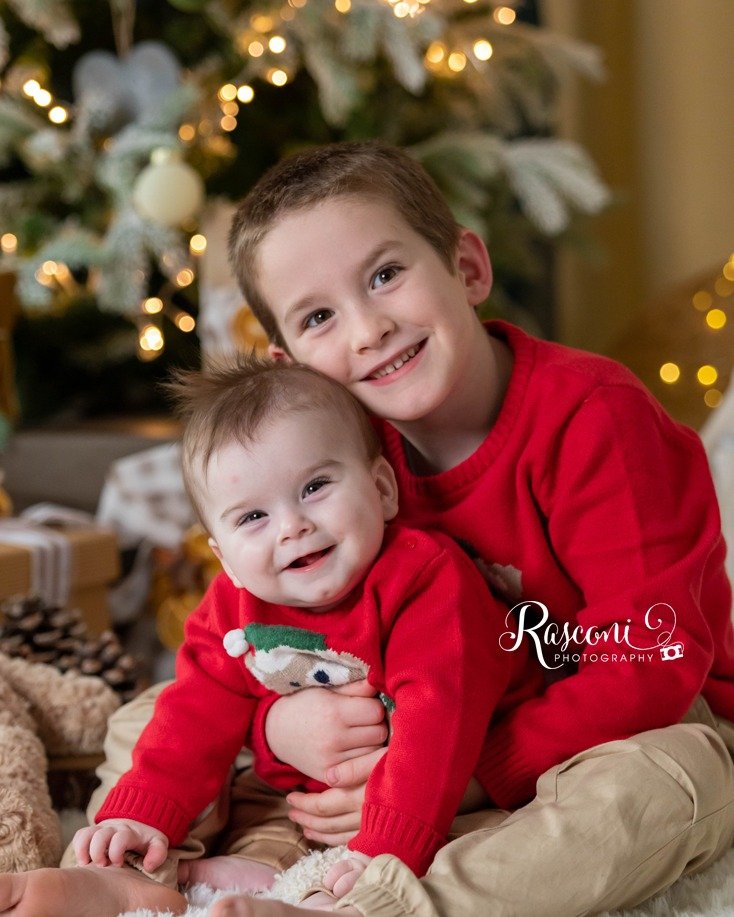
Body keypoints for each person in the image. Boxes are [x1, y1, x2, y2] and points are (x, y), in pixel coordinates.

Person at [2, 139, 734, 917]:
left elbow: (652, 664)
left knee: (673, 783)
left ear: (468, 268)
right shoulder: (324, 457)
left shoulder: (593, 419)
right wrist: (282, 728)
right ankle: (144, 866)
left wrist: (473, 770)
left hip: (603, 728)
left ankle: (364, 906)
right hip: (395, 726)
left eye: (386, 275)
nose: (368, 328)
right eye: (320, 315)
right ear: (293, 363)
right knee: (152, 710)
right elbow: (243, 635)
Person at [0, 356, 531, 917]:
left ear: (382, 488)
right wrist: (145, 811)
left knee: (490, 845)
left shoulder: (426, 580)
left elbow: (436, 725)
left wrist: (386, 847)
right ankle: (136, 873)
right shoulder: (234, 604)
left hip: (441, 789)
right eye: (253, 517)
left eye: (316, 486)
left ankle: (342, 901)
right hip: (297, 794)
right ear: (223, 556)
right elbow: (196, 712)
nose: (291, 526)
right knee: (155, 728)